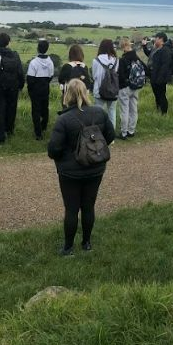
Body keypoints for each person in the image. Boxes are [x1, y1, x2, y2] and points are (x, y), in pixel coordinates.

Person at [47, 79, 115, 256]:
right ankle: (86, 243)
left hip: (70, 172)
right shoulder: (100, 113)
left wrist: (63, 158)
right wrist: (95, 152)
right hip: (95, 169)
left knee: (71, 209)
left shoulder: (64, 119)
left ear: (67, 95)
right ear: (86, 93)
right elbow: (110, 136)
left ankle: (68, 248)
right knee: (88, 206)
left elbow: (53, 149)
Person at [0, 33, 24, 145]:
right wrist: (20, 85)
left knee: (0, 110)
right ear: (8, 42)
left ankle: (0, 136)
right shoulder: (15, 55)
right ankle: (10, 131)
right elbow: (20, 72)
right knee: (12, 109)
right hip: (13, 87)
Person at [26, 40, 56, 140]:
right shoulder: (50, 62)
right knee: (45, 108)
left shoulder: (34, 62)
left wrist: (30, 89)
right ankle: (44, 126)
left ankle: (38, 133)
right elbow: (51, 76)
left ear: (38, 48)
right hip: (45, 87)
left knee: (36, 110)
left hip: (35, 88)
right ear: (47, 49)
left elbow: (30, 78)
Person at [116, 38, 143, 140]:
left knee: (124, 110)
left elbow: (121, 76)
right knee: (133, 109)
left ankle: (123, 133)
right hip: (136, 87)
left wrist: (125, 82)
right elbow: (144, 69)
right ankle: (131, 131)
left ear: (122, 47)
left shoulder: (122, 60)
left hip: (124, 88)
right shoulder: (136, 58)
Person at [90, 39, 120, 129]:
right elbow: (115, 72)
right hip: (113, 90)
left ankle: (99, 133)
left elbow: (94, 75)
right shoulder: (116, 60)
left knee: (98, 113)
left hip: (99, 90)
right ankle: (111, 135)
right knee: (112, 112)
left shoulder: (96, 60)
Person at [145, 32, 173, 115]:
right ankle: (159, 110)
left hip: (160, 77)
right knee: (157, 95)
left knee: (161, 95)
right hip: (154, 76)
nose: (155, 40)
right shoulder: (158, 48)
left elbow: (165, 66)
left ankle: (164, 113)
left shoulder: (166, 50)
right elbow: (151, 56)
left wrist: (160, 78)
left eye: (156, 38)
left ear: (161, 39)